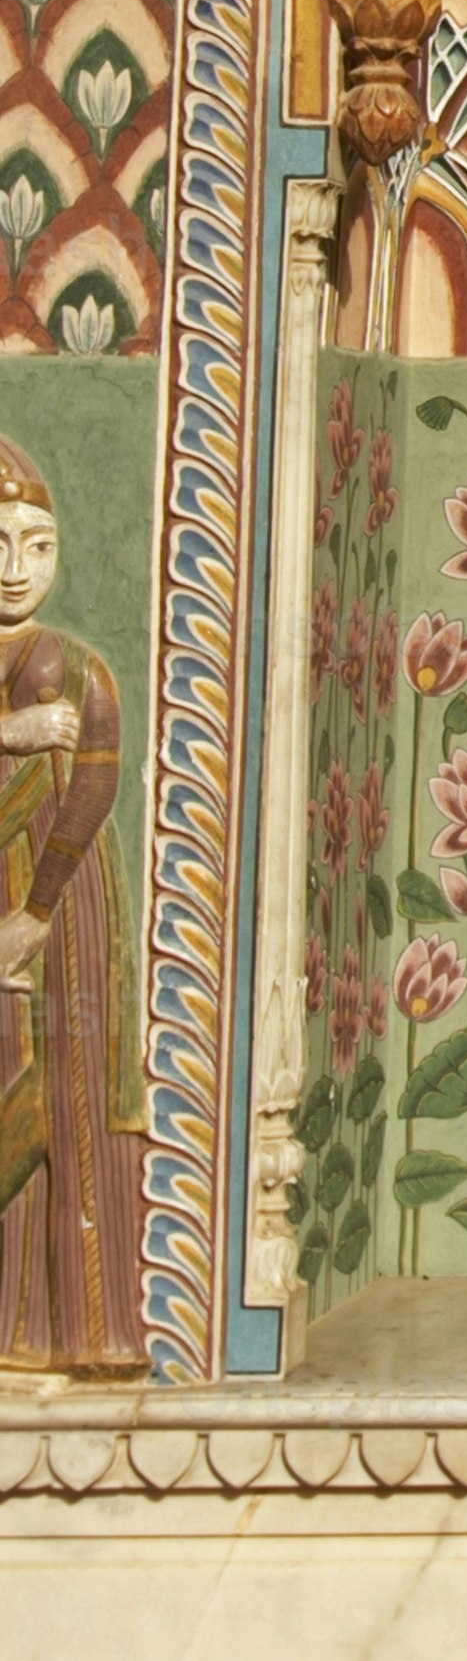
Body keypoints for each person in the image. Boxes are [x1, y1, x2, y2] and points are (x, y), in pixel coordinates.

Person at [0, 432, 146, 1373]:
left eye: (38, 546)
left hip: (65, 905)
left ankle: (80, 1325)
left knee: (69, 1095)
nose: (17, 569)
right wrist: (11, 733)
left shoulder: (83, 668)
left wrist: (37, 911)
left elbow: (94, 786)